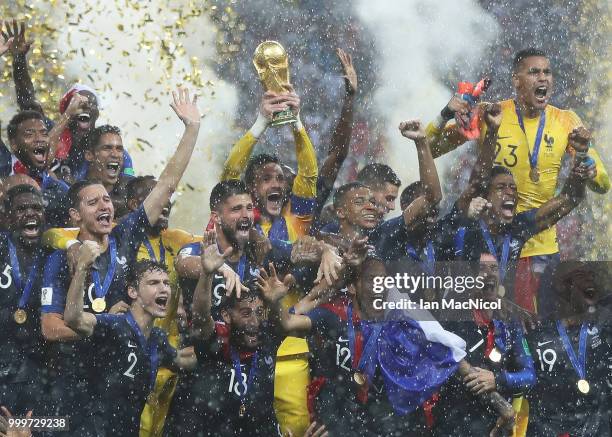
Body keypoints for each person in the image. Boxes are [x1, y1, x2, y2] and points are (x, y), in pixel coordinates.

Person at [39, 87, 200, 435]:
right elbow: (50, 328)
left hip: (119, 387)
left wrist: (192, 129)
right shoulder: (59, 258)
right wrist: (102, 326)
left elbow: (168, 183)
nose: (105, 206)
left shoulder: (126, 236)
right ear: (74, 215)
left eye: (107, 201)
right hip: (74, 385)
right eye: (93, 202)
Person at [426, 48, 610, 313]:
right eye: (534, 72)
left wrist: (586, 161)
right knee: (491, 332)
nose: (543, 78)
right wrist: (444, 114)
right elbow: (430, 149)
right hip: (492, 249)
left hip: (541, 246)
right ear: (516, 80)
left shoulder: (566, 121)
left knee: (538, 333)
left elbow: (603, 185)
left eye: (547, 72)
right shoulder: (492, 114)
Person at [278, 254, 515, 436]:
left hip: (387, 421)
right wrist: (275, 301)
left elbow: (448, 354)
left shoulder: (402, 326)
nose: (379, 286)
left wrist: (502, 405)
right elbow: (287, 322)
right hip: (340, 418)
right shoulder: (334, 317)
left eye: (384, 281)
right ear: (352, 287)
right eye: (372, 280)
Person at [166, 232, 289, 436]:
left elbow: (289, 323)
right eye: (246, 313)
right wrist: (206, 275)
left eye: (259, 313)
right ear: (226, 315)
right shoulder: (218, 340)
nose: (254, 322)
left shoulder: (268, 340)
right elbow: (200, 317)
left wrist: (275, 303)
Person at [63, 250, 197, 437]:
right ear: (133, 291)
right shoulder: (114, 324)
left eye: (166, 283)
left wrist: (219, 341)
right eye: (154, 283)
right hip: (92, 429)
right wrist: (82, 268)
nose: (164, 288)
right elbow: (73, 318)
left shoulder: (157, 339)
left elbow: (184, 360)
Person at [1, 19, 135, 182]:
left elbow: (127, 189)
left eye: (90, 103)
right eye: (78, 102)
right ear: (67, 109)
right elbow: (27, 101)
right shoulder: (48, 131)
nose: (84, 105)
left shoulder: (111, 150)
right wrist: (19, 59)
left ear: (97, 114)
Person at [123, 175, 201, 437]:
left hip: (171, 354)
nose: (165, 203)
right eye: (158, 196)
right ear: (136, 204)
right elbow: (59, 235)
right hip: (136, 353)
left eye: (169, 198)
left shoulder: (178, 240)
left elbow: (220, 240)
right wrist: (71, 243)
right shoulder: (124, 240)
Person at [432, 253, 536, 436]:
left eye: (494, 269)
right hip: (454, 420)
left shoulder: (510, 321)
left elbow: (530, 375)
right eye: (482, 269)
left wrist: (498, 379)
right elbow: (456, 368)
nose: (489, 274)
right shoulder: (453, 315)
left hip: (495, 423)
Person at [525, 262, 612, 436]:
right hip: (553, 429)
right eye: (580, 275)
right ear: (563, 287)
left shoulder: (605, 326)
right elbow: (530, 384)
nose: (589, 279)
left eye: (592, 275)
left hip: (599, 428)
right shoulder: (538, 335)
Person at [0, 185, 49, 416]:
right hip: (3, 361)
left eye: (36, 208)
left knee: (39, 427)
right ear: (8, 216)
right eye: (22, 209)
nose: (30, 213)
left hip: (40, 368)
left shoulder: (53, 253)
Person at [3, 110, 71, 226]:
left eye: (44, 133)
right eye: (30, 134)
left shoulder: (59, 189)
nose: (39, 139)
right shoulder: (3, 173)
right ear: (14, 144)